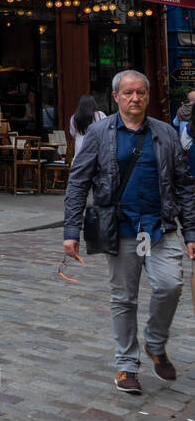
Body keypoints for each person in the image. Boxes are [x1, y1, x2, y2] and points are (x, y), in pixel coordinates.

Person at [64, 70, 195, 394]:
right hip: (121, 228)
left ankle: (154, 341)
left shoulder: (165, 133)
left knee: (170, 284)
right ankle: (126, 366)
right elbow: (78, 182)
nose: (134, 98)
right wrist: (71, 230)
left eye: (140, 93)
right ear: (116, 97)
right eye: (128, 93)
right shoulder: (99, 132)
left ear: (148, 96)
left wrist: (191, 232)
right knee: (124, 298)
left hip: (158, 227)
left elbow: (184, 186)